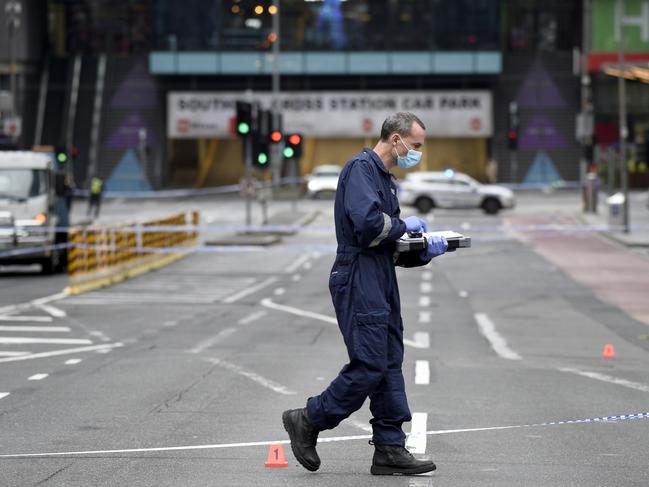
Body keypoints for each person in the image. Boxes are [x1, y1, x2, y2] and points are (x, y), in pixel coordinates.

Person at [282, 112, 448, 476]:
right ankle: (309, 418)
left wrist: (424, 250)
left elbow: (387, 244)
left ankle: (389, 447)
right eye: (415, 146)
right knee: (371, 363)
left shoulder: (385, 180)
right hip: (357, 276)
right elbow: (371, 226)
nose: (416, 153)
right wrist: (405, 226)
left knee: (388, 361)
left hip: (378, 275)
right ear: (395, 140)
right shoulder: (360, 169)